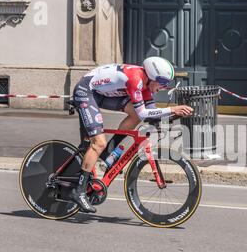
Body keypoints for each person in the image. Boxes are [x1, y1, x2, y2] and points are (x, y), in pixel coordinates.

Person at [70, 57, 193, 213]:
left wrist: (170, 117)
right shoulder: (135, 79)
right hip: (86, 91)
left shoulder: (146, 86)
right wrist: (172, 109)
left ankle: (109, 151)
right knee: (98, 143)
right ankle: (79, 191)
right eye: (162, 83)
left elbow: (150, 113)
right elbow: (144, 113)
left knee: (134, 114)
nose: (164, 87)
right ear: (153, 77)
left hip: (101, 93)